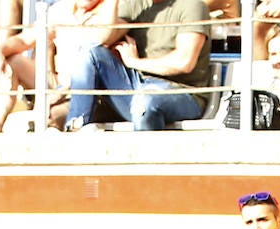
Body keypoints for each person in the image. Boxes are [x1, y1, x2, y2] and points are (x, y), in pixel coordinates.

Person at [62, 0, 214, 132]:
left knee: (145, 101)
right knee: (90, 54)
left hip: (183, 93)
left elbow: (184, 62)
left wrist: (135, 62)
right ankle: (76, 127)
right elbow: (100, 39)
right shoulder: (136, 4)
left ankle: (144, 160)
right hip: (138, 86)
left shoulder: (192, 6)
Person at [0, 0, 109, 132]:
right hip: (59, 83)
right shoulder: (61, 10)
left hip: (91, 91)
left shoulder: (108, 12)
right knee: (11, 63)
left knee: (51, 116)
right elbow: (24, 40)